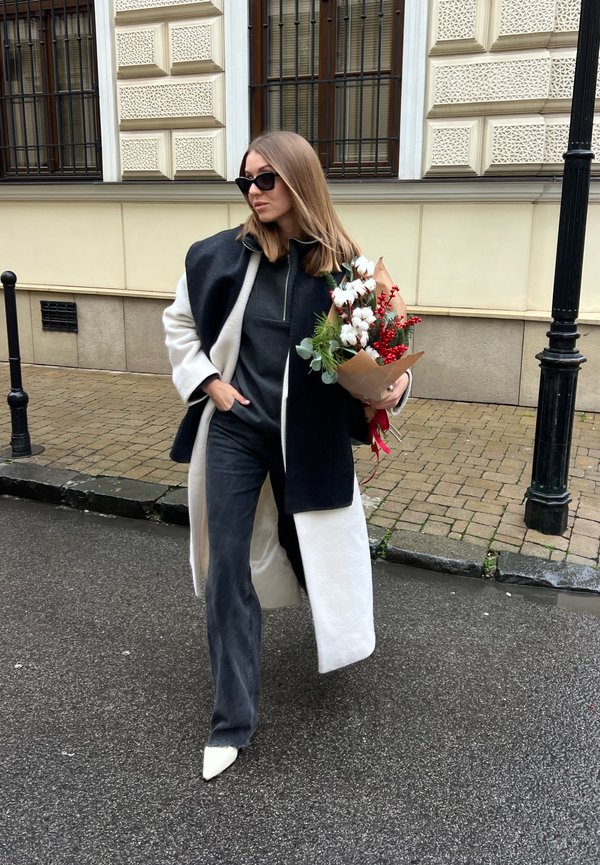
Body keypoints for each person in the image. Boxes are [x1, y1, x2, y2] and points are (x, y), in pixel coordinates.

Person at [162, 131, 411, 781]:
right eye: (244, 181)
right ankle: (231, 719)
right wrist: (211, 385)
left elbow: (378, 358)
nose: (253, 192)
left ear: (299, 180)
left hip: (308, 436)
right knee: (225, 564)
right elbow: (179, 324)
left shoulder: (342, 269)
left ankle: (331, 624)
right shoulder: (217, 255)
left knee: (316, 545)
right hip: (237, 429)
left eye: (266, 178)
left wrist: (395, 383)